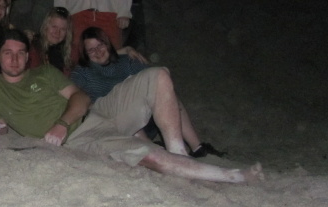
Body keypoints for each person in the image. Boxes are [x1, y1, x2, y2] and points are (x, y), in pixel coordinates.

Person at [0, 29, 263, 184]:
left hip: (99, 111)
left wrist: (61, 124)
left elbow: (81, 98)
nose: (15, 59)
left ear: (28, 57)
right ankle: (234, 177)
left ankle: (179, 152)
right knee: (149, 156)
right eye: (8, 53)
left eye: (21, 53)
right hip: (82, 138)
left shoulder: (44, 73)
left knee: (159, 75)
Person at [71, 27, 224, 158]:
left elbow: (154, 83)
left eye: (100, 45)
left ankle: (197, 148)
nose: (98, 52)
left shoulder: (127, 61)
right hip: (114, 122)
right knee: (126, 112)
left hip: (146, 118)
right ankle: (157, 151)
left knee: (166, 90)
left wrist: (126, 51)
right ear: (85, 54)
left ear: (108, 44)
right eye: (91, 50)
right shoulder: (83, 72)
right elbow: (72, 95)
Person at [28, 7, 73, 76]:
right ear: (46, 26)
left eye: (62, 29)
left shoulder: (66, 53)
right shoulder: (33, 47)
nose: (57, 32)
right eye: (54, 27)